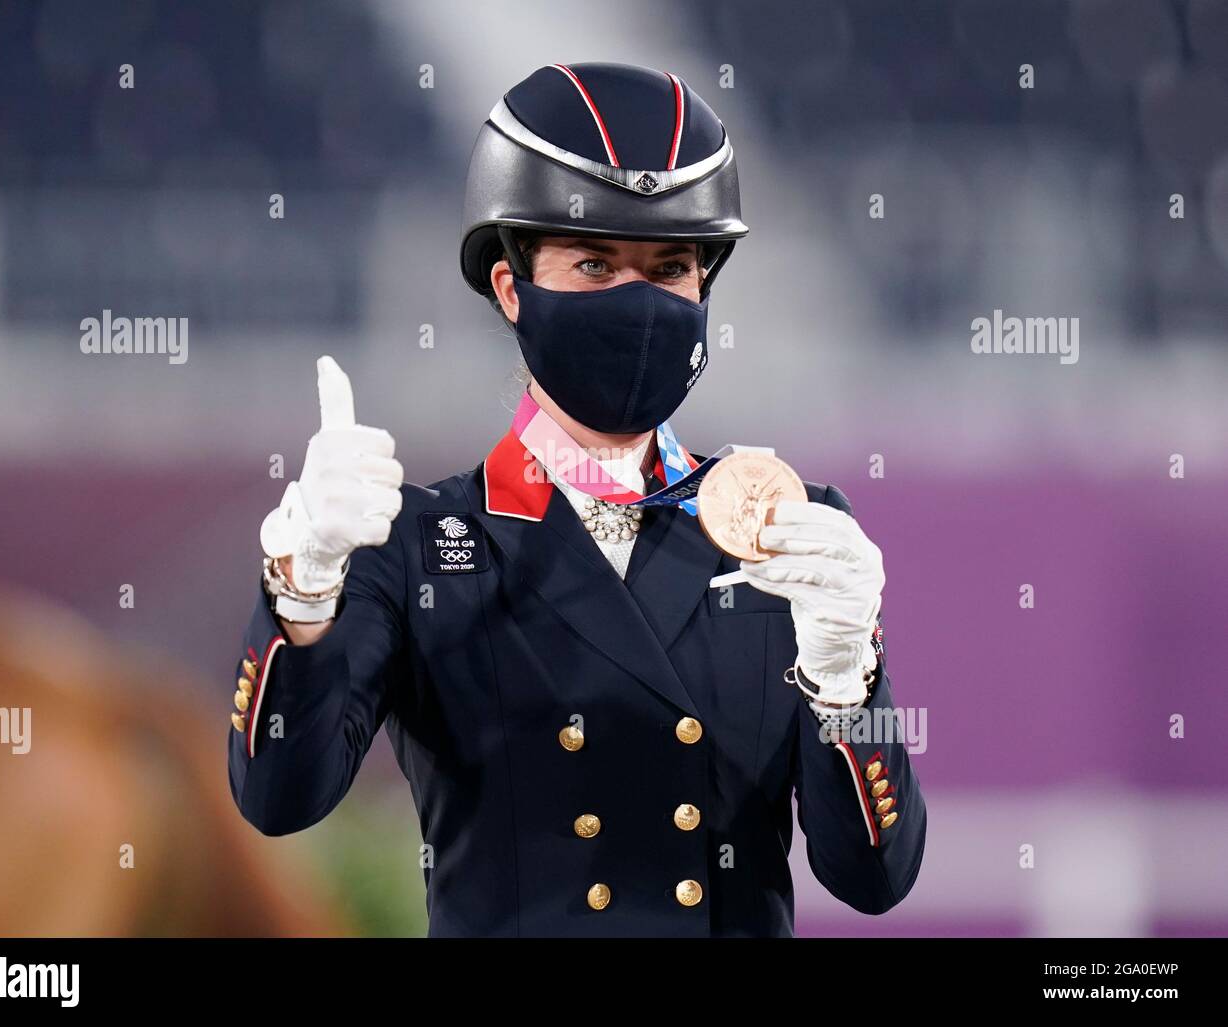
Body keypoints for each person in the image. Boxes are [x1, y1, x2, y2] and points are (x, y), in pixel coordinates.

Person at [227, 62, 925, 937]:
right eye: (595, 263)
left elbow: (873, 877)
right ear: (512, 287)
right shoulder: (411, 542)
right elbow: (278, 797)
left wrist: (844, 678)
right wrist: (303, 589)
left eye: (669, 267)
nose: (637, 302)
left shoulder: (789, 532)